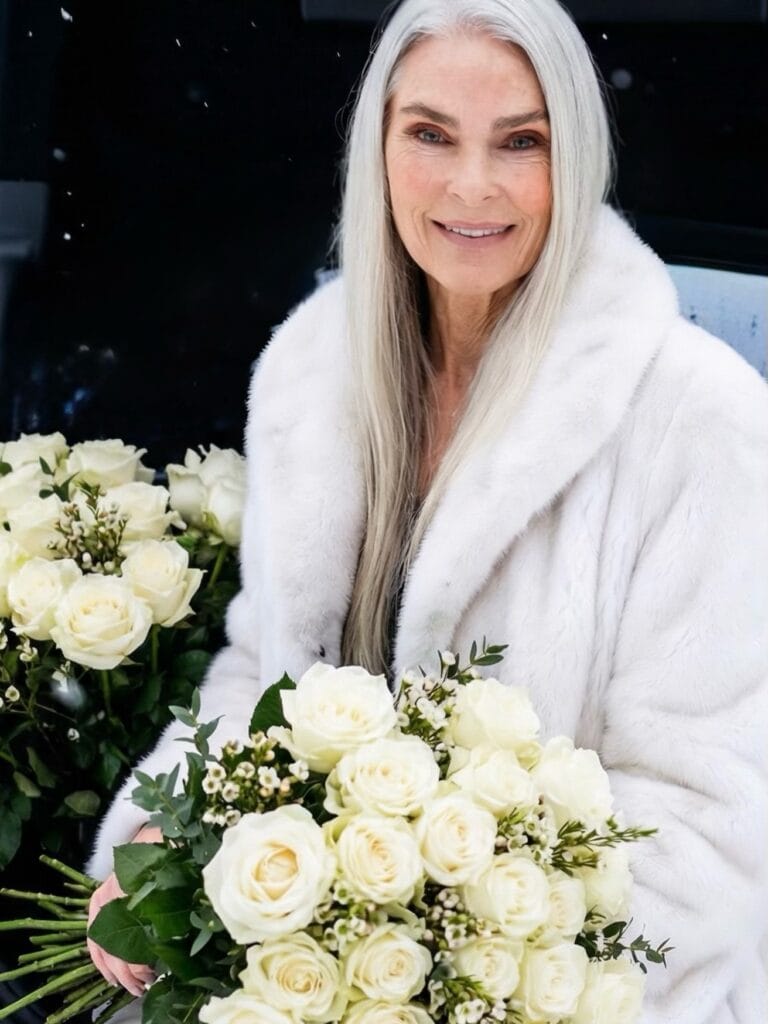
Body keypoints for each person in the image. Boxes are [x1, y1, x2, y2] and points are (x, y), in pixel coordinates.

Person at [85, 1, 768, 1021]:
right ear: (380, 144)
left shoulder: (701, 417)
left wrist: (467, 981)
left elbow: (713, 817)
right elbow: (256, 670)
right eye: (431, 133)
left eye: (521, 141)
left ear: (574, 155)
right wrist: (161, 841)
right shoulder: (310, 375)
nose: (472, 185)